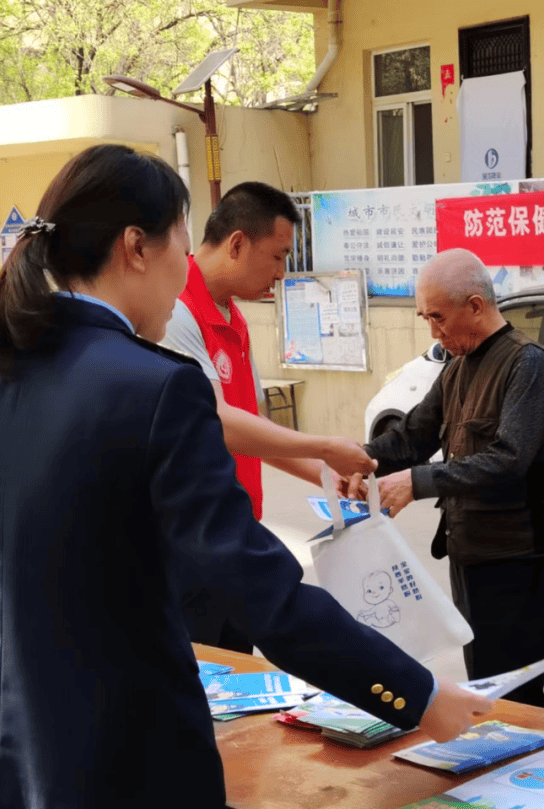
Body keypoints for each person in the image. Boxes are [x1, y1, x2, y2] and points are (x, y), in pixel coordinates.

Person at [0, 145, 490, 809]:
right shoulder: (156, 387)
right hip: (129, 767)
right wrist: (415, 693)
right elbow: (264, 595)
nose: (184, 273)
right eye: (180, 251)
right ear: (136, 247)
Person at [160, 182, 375, 651]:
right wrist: (323, 447)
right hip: (190, 548)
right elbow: (217, 421)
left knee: (239, 681)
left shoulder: (233, 319)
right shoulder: (175, 311)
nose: (282, 273)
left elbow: (257, 428)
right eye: (278, 256)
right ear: (237, 243)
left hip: (232, 536)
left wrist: (327, 473)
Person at [365, 248, 544, 709]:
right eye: (427, 319)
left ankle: (528, 776)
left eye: (438, 318)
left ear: (475, 306)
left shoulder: (528, 366)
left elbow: (508, 460)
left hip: (523, 558)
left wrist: (415, 483)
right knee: (485, 684)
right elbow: (412, 437)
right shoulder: (458, 367)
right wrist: (353, 461)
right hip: (473, 552)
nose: (434, 332)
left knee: (514, 695)